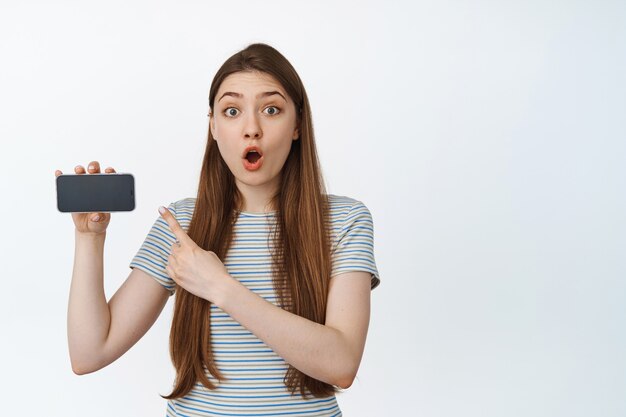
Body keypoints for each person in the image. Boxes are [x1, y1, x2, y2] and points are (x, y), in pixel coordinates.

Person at [56, 42, 381, 417]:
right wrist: (89, 238)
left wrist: (220, 288)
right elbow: (89, 353)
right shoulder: (180, 226)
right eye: (232, 111)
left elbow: (341, 365)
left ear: (297, 125)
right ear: (213, 127)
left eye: (271, 109)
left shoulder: (345, 220)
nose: (251, 129)